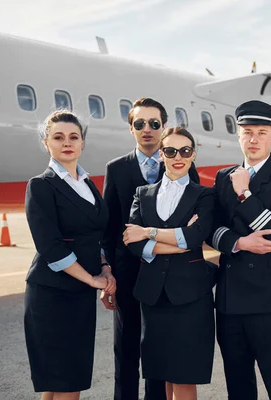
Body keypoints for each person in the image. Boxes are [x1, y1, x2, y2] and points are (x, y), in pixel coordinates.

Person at [102, 98, 199, 400]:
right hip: (127, 274)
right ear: (131, 129)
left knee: (159, 351)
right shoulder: (116, 169)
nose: (147, 129)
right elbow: (109, 228)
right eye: (140, 124)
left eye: (154, 123)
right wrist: (106, 274)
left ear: (163, 127)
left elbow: (192, 224)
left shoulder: (182, 165)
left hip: (169, 276)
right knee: (127, 348)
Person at [208, 100, 271, 399]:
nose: (253, 139)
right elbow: (211, 229)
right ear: (238, 135)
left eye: (261, 132)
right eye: (247, 131)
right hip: (230, 300)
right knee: (238, 385)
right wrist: (239, 242)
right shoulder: (224, 176)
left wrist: (245, 193)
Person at [24, 110, 116, 400]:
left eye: (74, 137)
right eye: (58, 137)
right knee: (65, 380)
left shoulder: (88, 184)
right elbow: (50, 246)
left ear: (82, 143)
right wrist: (92, 279)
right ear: (46, 142)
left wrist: (104, 267)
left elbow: (95, 234)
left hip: (79, 292)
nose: (67, 143)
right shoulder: (41, 185)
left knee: (63, 379)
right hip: (52, 292)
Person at [122, 127, 216, 400]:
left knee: (186, 375)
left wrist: (149, 232)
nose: (179, 157)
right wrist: (179, 243)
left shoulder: (204, 195)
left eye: (185, 151)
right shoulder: (143, 193)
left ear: (193, 155)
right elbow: (132, 240)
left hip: (190, 296)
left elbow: (196, 237)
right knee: (160, 372)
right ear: (161, 154)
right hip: (153, 297)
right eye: (171, 151)